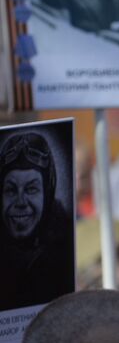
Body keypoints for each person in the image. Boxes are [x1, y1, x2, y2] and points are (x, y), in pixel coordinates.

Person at [0, 130, 75, 310]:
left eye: (31, 189)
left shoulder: (63, 254)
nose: (20, 202)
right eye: (10, 190)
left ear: (47, 195)